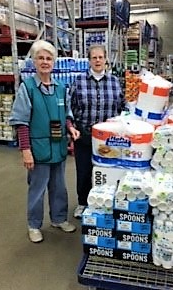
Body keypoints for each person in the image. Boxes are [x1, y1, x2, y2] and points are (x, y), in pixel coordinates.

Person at [9, 40, 80, 243]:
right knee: (37, 188)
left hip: (58, 147)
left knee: (59, 186)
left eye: (49, 58)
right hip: (38, 148)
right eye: (41, 58)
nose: (45, 62)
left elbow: (66, 115)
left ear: (54, 62)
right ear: (34, 61)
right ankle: (34, 224)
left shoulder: (60, 87)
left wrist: (71, 128)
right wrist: (26, 150)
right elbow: (21, 122)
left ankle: (58, 219)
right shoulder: (28, 87)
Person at [69, 44, 127, 218]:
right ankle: (83, 203)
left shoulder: (114, 82)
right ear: (89, 61)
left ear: (106, 59)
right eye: (94, 57)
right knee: (84, 171)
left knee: (107, 171)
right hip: (85, 135)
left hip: (109, 139)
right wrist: (71, 127)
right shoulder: (78, 82)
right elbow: (70, 107)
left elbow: (123, 107)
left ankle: (106, 202)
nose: (98, 60)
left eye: (100, 57)